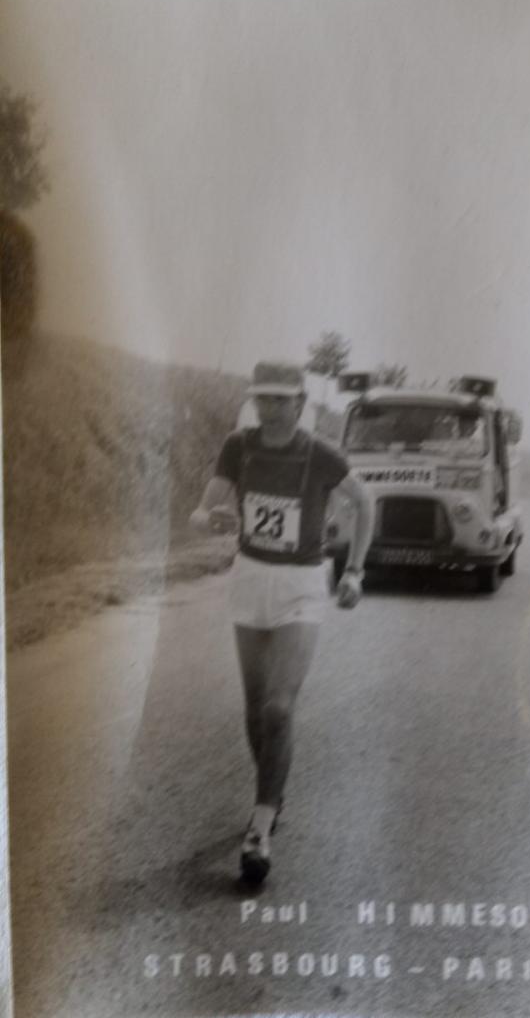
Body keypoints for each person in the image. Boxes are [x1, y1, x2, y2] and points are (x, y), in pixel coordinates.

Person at [190, 360, 373, 882]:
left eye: (280, 400)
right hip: (250, 580)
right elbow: (204, 509)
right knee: (255, 712)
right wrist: (206, 519)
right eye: (262, 399)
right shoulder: (239, 446)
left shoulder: (320, 454)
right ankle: (271, 793)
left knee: (278, 707)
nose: (270, 409)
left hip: (301, 587)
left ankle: (260, 829)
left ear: (300, 403)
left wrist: (355, 571)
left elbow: (365, 502)